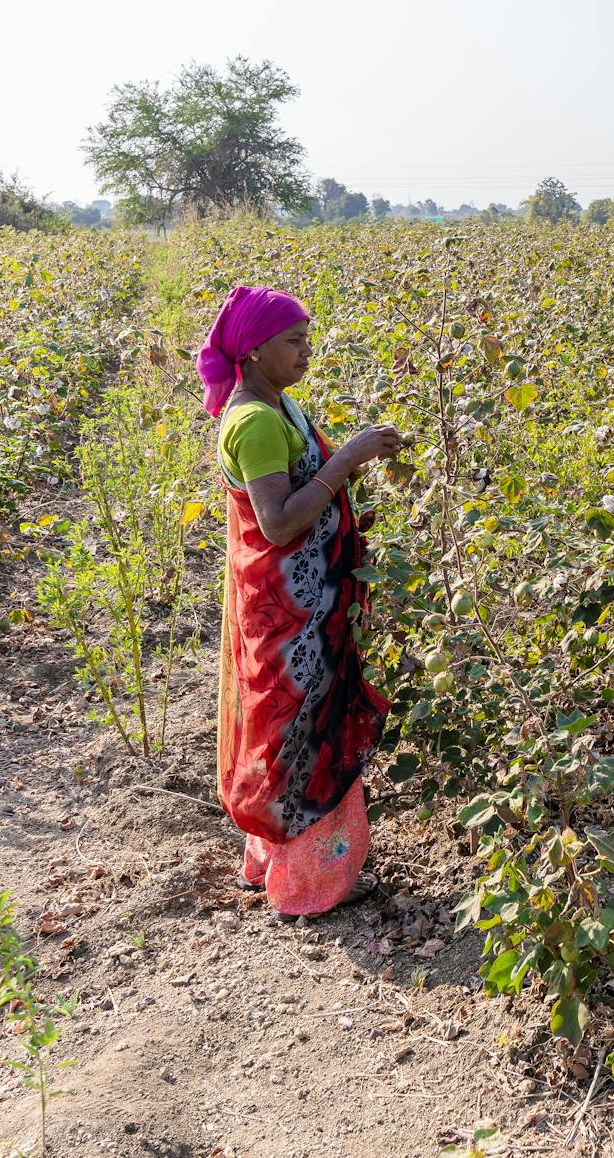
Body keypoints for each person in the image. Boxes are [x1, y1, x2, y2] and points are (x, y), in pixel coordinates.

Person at [198, 286, 402, 917]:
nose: (305, 351)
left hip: (298, 601)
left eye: (307, 338)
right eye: (293, 341)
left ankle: (272, 859)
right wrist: (349, 458)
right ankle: (310, 882)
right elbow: (280, 522)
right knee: (301, 727)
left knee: (284, 723)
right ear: (254, 350)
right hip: (292, 612)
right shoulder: (257, 420)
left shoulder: (275, 403)